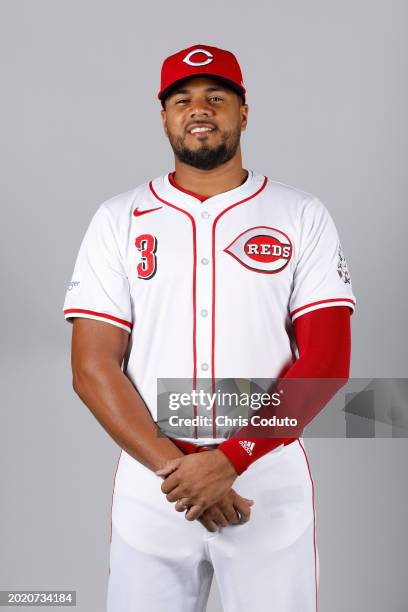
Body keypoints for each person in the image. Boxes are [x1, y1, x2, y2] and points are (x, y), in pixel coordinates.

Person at [63, 44, 356, 612]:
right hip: (154, 484)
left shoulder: (301, 213)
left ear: (243, 112)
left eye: (216, 97)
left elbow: (326, 361)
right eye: (182, 99)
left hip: (265, 478)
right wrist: (178, 470)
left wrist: (229, 461)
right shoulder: (117, 219)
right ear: (165, 116)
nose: (199, 109)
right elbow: (91, 366)